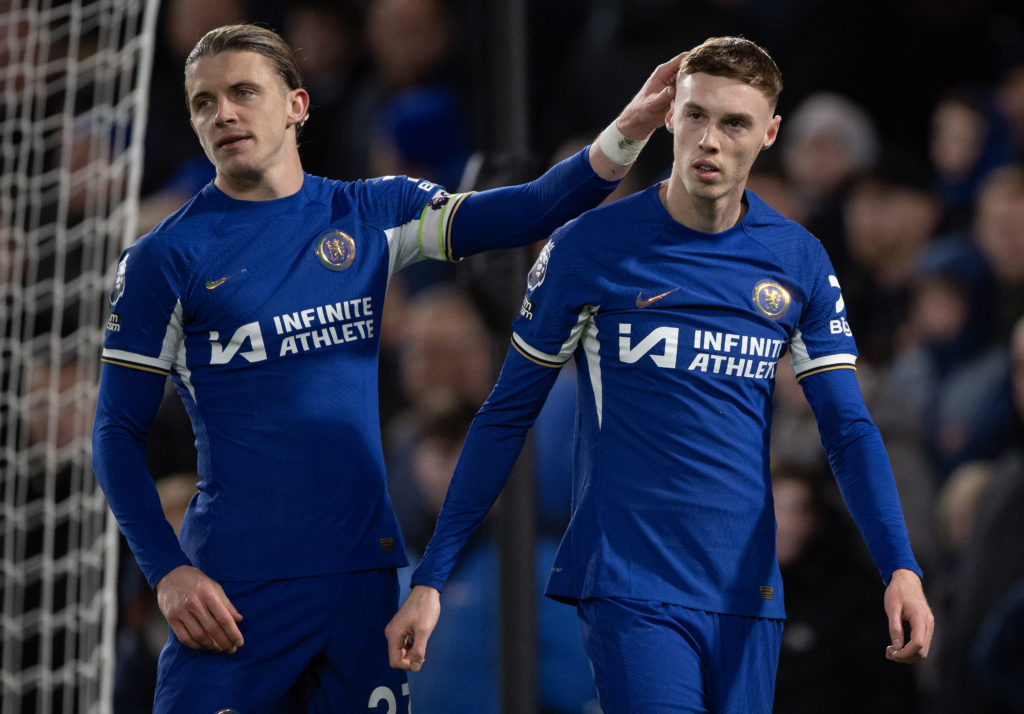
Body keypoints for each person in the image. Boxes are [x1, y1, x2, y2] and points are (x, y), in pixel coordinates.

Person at [90, 23, 681, 713]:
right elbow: (114, 433)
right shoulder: (165, 260)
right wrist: (168, 573)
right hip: (235, 590)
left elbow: (527, 211)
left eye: (244, 92)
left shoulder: (370, 214)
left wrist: (627, 132)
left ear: (297, 105)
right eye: (203, 102)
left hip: (362, 581)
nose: (223, 113)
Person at [386, 36, 934, 713]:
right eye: (697, 115)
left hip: (747, 589)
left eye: (734, 123)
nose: (710, 140)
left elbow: (847, 429)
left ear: (769, 134)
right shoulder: (590, 248)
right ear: (670, 117)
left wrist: (899, 566)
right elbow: (506, 414)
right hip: (629, 583)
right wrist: (433, 575)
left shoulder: (797, 258)